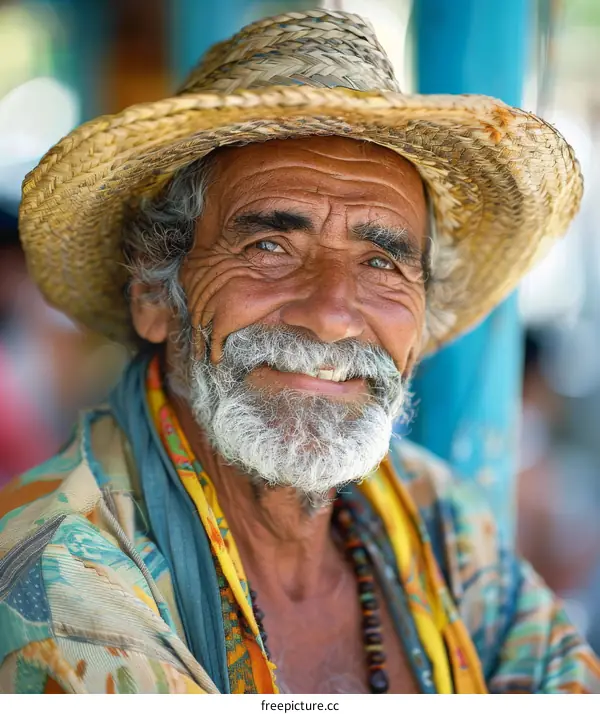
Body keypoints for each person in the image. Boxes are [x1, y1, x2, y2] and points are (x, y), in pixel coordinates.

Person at [0, 10, 598, 695]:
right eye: (269, 248)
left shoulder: (432, 509)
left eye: (381, 261)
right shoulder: (52, 572)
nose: (333, 316)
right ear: (155, 297)